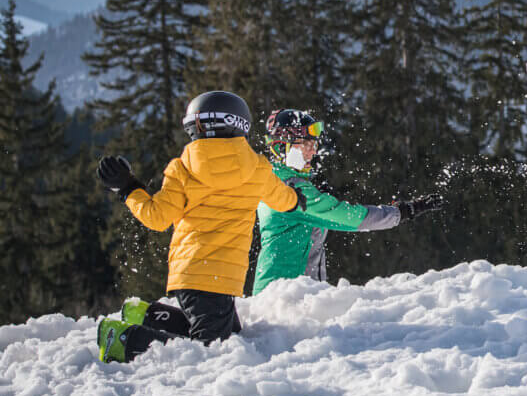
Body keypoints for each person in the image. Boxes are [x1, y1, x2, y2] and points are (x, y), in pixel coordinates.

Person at [94, 91, 305, 363]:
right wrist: (296, 198)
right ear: (240, 125)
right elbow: (285, 201)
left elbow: (157, 217)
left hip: (191, 274)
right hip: (221, 278)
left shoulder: (181, 169)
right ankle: (123, 340)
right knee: (210, 352)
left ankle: (145, 315)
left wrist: (127, 188)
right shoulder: (258, 169)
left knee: (231, 335)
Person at [251, 108, 443, 295]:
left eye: (314, 146)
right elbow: (349, 218)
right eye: (306, 146)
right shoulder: (292, 189)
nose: (312, 153)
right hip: (284, 298)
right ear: (280, 147)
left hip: (283, 292)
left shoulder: (277, 180)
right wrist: (401, 213)